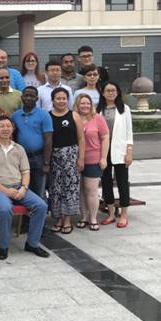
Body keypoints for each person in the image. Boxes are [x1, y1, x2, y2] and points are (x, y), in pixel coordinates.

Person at [0, 115, 49, 260]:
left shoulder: (19, 148)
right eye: (1, 126)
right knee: (5, 209)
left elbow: (25, 172)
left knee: (41, 206)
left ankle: (32, 243)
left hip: (19, 187)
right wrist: (5, 191)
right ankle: (3, 246)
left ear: (12, 129)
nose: (5, 129)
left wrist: (23, 188)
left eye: (8, 126)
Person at [48, 87, 85, 235]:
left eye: (64, 98)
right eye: (58, 98)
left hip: (71, 155)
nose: (61, 101)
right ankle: (58, 218)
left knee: (70, 188)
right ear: (53, 100)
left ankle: (68, 219)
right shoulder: (48, 116)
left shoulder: (74, 115)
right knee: (55, 188)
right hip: (54, 156)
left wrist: (81, 158)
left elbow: (81, 138)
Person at [97, 81, 133, 228]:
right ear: (103, 93)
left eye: (113, 90)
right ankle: (111, 214)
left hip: (120, 150)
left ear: (118, 92)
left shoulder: (124, 109)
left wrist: (129, 151)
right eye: (108, 90)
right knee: (106, 182)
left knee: (122, 182)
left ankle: (124, 214)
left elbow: (129, 131)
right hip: (103, 150)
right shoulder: (98, 110)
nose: (111, 93)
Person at [74, 93, 109, 231]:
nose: (85, 106)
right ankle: (84, 217)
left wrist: (103, 157)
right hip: (76, 159)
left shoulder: (97, 118)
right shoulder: (74, 118)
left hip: (93, 159)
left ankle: (93, 218)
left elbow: (105, 138)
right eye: (82, 103)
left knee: (91, 190)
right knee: (81, 190)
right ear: (77, 104)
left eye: (88, 103)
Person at [11, 86, 53, 200]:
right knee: (24, 191)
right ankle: (27, 213)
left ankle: (42, 212)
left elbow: (48, 139)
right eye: (26, 95)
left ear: (37, 98)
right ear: (22, 97)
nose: (29, 98)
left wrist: (46, 162)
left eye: (32, 96)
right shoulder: (15, 115)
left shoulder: (44, 115)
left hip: (39, 157)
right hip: (21, 158)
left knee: (40, 191)